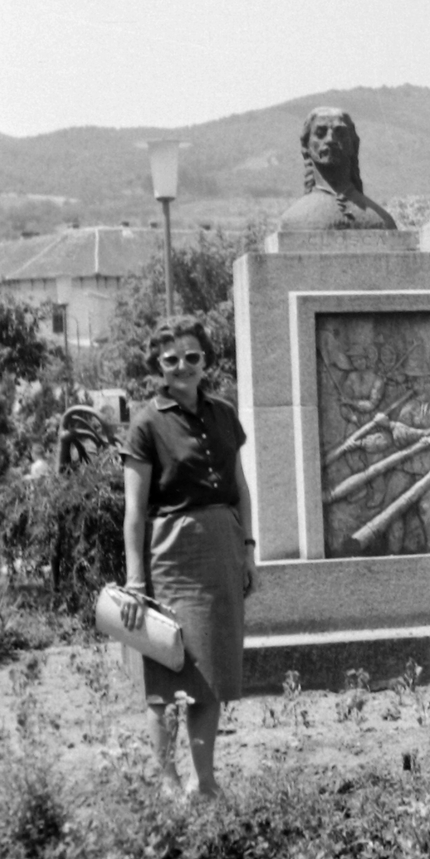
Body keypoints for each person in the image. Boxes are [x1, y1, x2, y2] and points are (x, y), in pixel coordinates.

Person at [119, 315, 255, 800]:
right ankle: (167, 780)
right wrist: (136, 581)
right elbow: (134, 510)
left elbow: (239, 488)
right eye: (171, 359)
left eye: (192, 357)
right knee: (169, 672)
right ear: (158, 364)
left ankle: (205, 780)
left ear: (206, 360)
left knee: (211, 673)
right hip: (170, 554)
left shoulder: (223, 413)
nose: (183, 367)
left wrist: (248, 549)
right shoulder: (146, 422)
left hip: (221, 548)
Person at [276, 107, 398, 231]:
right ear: (306, 146)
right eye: (320, 133)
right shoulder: (293, 220)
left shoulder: (382, 220)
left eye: (340, 133)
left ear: (353, 144)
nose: (330, 139)